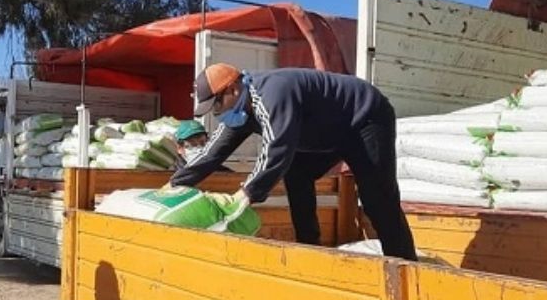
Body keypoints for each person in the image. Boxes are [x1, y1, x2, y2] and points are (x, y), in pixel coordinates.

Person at [169, 63, 417, 260]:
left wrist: (245, 194)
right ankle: (310, 249)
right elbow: (211, 154)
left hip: (364, 118)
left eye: (217, 105)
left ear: (232, 89)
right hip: (327, 131)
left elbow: (276, 149)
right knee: (297, 174)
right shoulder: (239, 111)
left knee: (377, 199)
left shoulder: (271, 94)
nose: (217, 113)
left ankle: (405, 266)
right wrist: (174, 184)